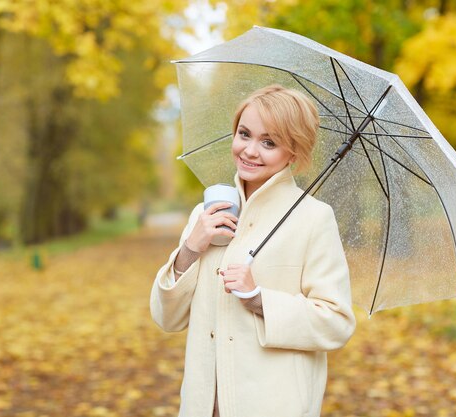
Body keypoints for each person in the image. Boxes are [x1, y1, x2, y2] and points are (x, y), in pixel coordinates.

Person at [150, 85, 356, 417]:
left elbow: (337, 322)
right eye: (244, 134)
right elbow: (166, 318)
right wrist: (191, 248)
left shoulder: (313, 218)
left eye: (269, 142)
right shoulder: (206, 214)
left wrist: (259, 299)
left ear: (293, 152)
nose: (250, 150)